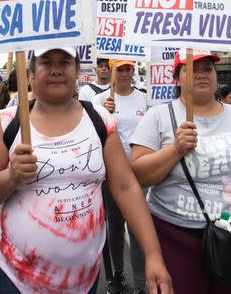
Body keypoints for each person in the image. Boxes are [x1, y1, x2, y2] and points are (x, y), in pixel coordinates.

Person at [0, 47, 172, 294]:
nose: (56, 69)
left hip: (84, 280)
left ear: (76, 71)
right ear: (31, 74)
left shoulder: (99, 118)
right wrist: (11, 176)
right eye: (46, 63)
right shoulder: (8, 122)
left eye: (65, 62)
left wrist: (153, 254)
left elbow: (125, 186)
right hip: (19, 279)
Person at [130, 50, 231, 294]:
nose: (201, 75)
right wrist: (175, 149)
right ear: (176, 78)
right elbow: (138, 175)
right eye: (191, 69)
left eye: (207, 69)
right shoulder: (158, 116)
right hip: (176, 237)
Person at [93, 59, 148, 294]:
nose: (124, 73)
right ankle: (117, 274)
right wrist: (105, 114)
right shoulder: (99, 100)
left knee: (138, 227)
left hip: (140, 172)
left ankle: (140, 283)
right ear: (113, 71)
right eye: (120, 69)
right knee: (115, 225)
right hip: (111, 172)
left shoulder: (145, 98)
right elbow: (93, 134)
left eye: (128, 69)